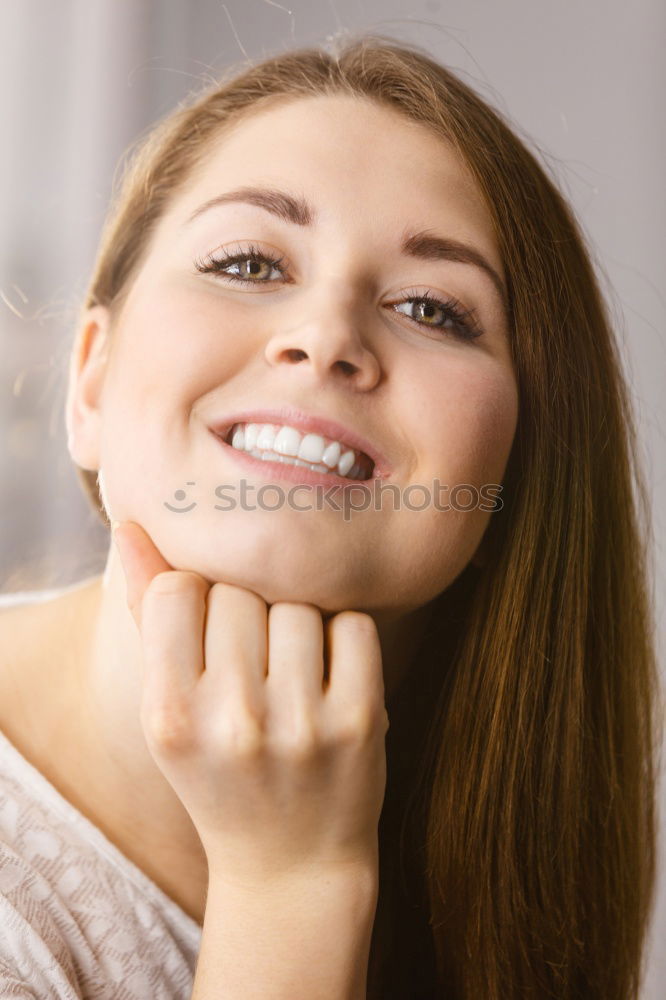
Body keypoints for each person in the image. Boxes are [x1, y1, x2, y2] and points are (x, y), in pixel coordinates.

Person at [0, 32, 660, 1000]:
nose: (325, 336)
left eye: (433, 308)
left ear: (519, 468)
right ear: (89, 382)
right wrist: (293, 891)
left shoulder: (511, 848)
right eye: (248, 263)